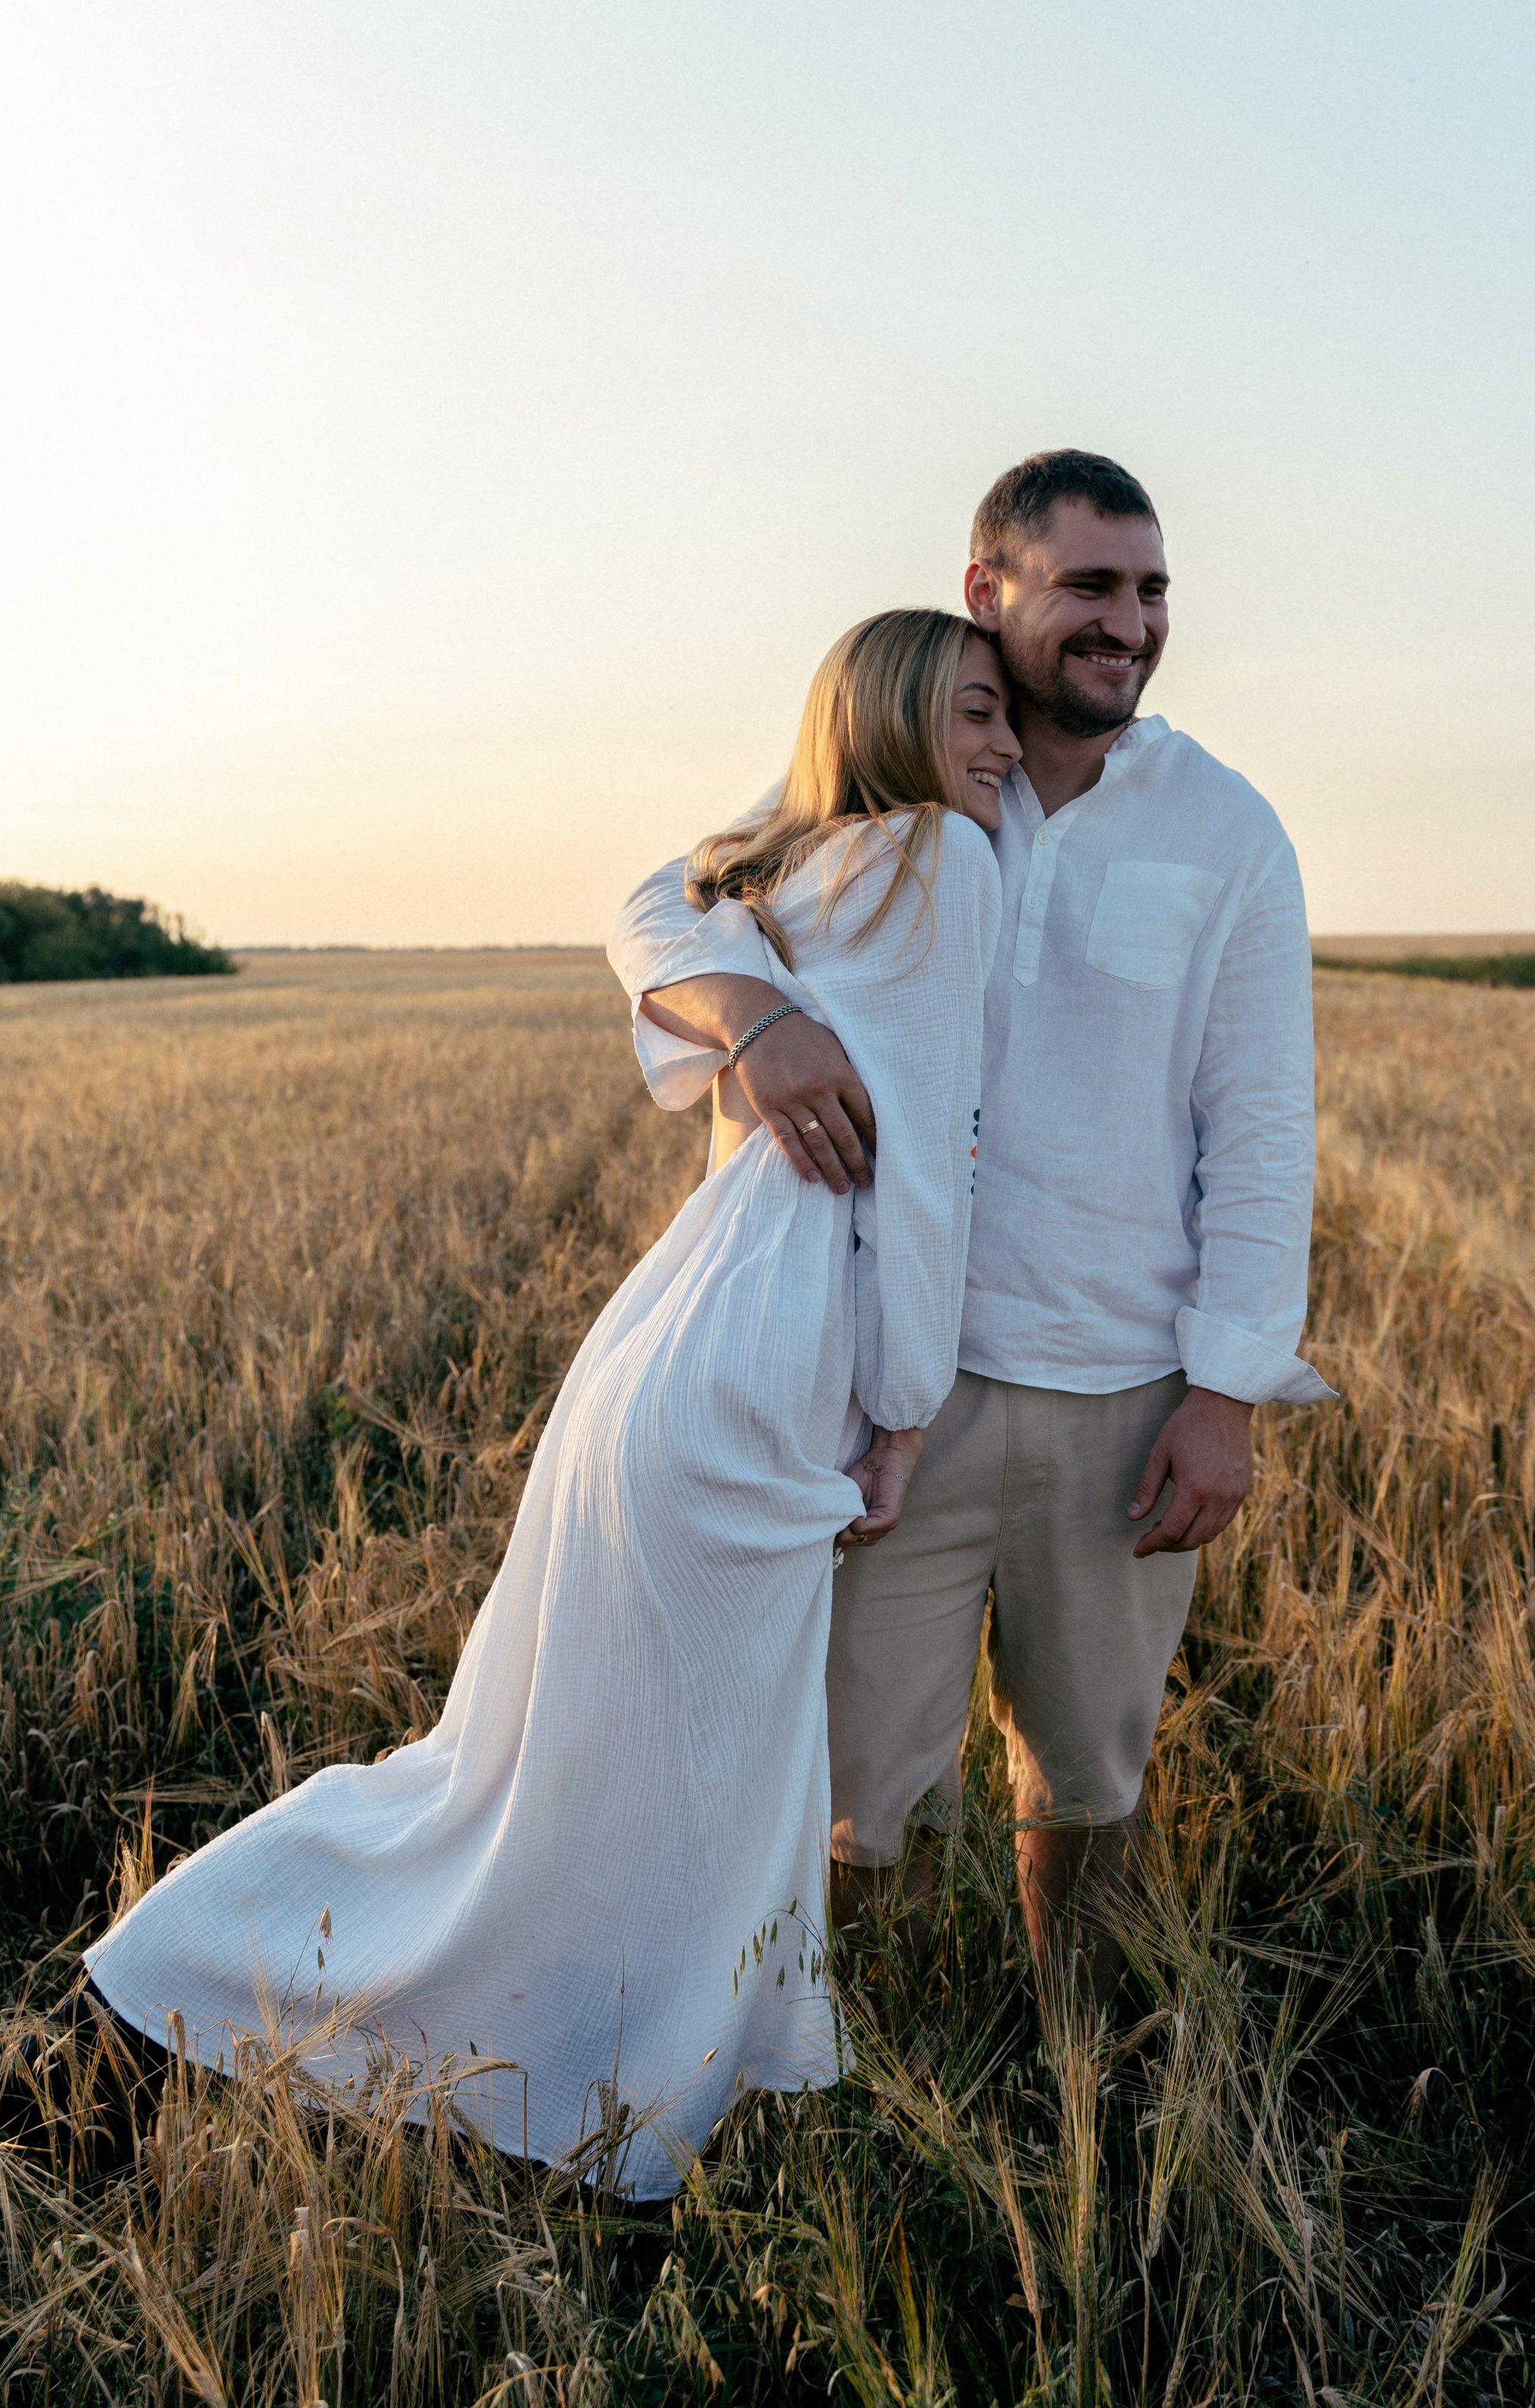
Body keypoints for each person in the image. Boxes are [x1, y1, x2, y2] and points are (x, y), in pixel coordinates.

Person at [75, 609, 1011, 2197]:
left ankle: (256, 2014)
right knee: (652, 1808)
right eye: (972, 711)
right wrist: (908, 1408)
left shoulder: (789, 875)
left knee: (520, 1776)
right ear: (898, 729)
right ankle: (576, 2121)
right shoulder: (943, 867)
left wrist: (754, 1008)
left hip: (661, 1364)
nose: (996, 744)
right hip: (756, 1384)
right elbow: (925, 1176)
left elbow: (658, 889)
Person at [609, 451, 1332, 1999]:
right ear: (984, 592)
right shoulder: (903, 778)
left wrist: (1224, 1394)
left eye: (1147, 593)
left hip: (1120, 1389)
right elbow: (660, 905)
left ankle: (1082, 2066)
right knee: (853, 1783)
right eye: (1086, 586)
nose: (1124, 625)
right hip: (877, 1385)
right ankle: (829, 2073)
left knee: (1087, 1772)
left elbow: (1259, 1133)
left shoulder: (1225, 831)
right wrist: (748, 1018)